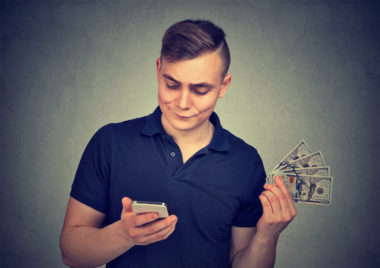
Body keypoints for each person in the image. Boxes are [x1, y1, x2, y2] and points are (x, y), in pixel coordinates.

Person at [60, 19, 297, 268]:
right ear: (158, 69)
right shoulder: (109, 143)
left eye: (200, 90)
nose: (183, 103)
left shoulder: (246, 163)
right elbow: (71, 255)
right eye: (172, 85)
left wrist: (267, 236)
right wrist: (123, 235)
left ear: (223, 86)